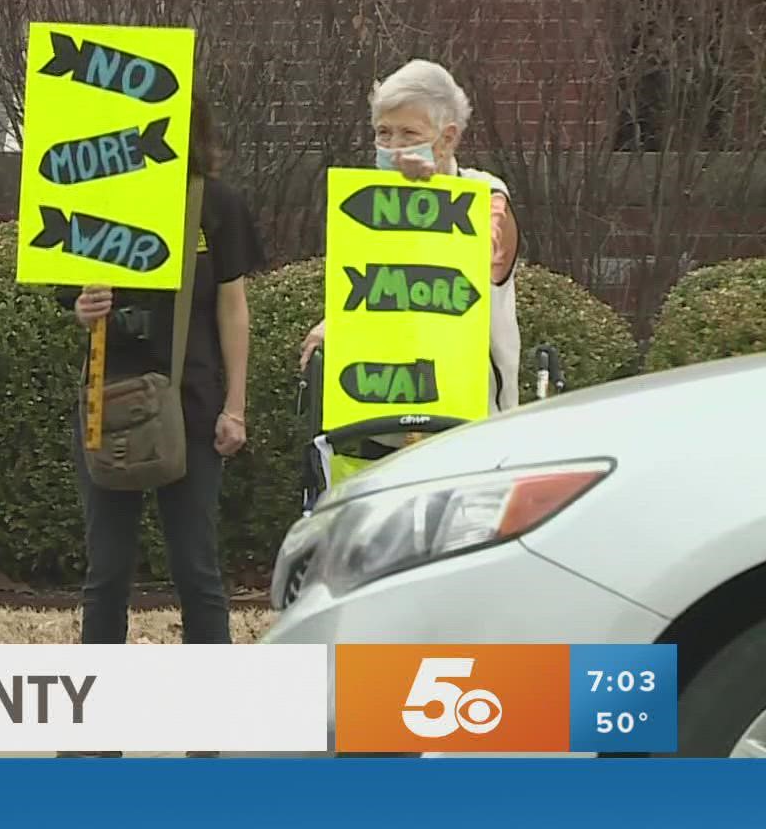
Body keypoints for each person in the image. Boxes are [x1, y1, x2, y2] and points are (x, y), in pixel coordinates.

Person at [63, 103, 262, 660]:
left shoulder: (213, 205)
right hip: (110, 403)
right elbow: (64, 290)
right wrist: (84, 305)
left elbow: (233, 308)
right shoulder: (94, 204)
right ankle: (94, 734)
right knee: (106, 573)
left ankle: (207, 728)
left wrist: (236, 406)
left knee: (197, 568)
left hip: (193, 407)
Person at [298, 58, 521, 413]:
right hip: (378, 416)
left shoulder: (486, 192)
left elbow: (489, 251)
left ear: (447, 138)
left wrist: (435, 196)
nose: (393, 146)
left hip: (467, 420)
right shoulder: (365, 207)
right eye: (383, 133)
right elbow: (370, 290)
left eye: (409, 134)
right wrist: (335, 324)